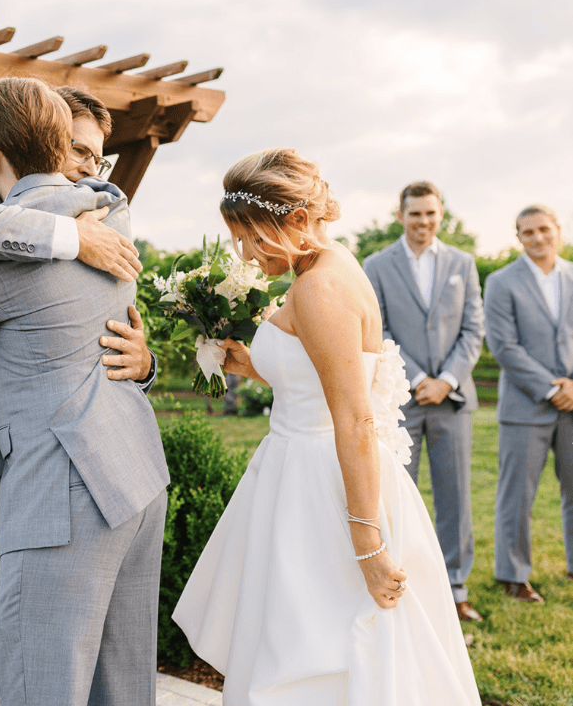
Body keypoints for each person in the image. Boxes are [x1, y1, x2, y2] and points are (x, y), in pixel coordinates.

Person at [0, 77, 169, 706]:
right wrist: (68, 236)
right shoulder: (84, 218)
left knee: (42, 676)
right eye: (74, 150)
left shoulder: (101, 210)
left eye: (94, 158)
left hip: (55, 479)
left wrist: (143, 360)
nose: (84, 169)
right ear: (47, 141)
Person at [173, 148, 479, 705]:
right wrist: (253, 364)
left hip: (324, 490)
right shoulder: (321, 265)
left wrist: (366, 543)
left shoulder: (320, 288)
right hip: (295, 475)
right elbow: (318, 382)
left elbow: (355, 418)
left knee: (315, 651)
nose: (241, 251)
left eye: (248, 235)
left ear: (292, 221)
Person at [362, 181, 485, 622]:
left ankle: (456, 588)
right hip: (402, 399)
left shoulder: (462, 263)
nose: (424, 222)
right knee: (397, 495)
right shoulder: (376, 265)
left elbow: (473, 329)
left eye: (431, 214)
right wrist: (418, 379)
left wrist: (447, 381)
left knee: (455, 496)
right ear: (401, 216)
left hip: (452, 399)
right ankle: (401, 583)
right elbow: (379, 328)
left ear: (440, 215)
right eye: (415, 214)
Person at [484, 204, 573, 603]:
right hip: (525, 406)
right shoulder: (502, 282)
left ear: (558, 229)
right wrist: (551, 388)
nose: (537, 238)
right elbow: (503, 346)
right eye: (527, 232)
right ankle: (514, 575)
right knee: (517, 495)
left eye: (543, 229)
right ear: (518, 237)